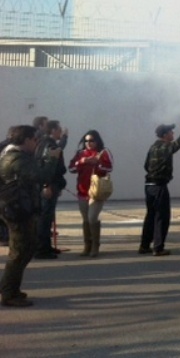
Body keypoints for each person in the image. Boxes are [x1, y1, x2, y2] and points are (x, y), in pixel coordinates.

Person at [0, 125, 58, 307]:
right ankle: (9, 293)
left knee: (28, 247)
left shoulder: (18, 156)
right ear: (25, 140)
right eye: (34, 139)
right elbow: (41, 175)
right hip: (16, 210)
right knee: (19, 252)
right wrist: (52, 160)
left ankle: (10, 288)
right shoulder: (15, 158)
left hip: (20, 208)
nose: (36, 143)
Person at [139, 119, 180, 256]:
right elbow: (179, 143)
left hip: (149, 185)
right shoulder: (165, 147)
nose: (173, 133)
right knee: (162, 217)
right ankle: (158, 247)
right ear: (165, 135)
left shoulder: (152, 147)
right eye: (170, 132)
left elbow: (145, 165)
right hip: (159, 186)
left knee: (150, 216)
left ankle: (144, 245)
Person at [69, 129, 114, 257]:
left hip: (97, 191)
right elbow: (71, 168)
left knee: (92, 218)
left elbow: (110, 167)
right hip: (82, 191)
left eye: (91, 140)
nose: (88, 143)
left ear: (97, 141)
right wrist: (83, 162)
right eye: (86, 140)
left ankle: (95, 245)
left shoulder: (103, 152)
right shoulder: (80, 153)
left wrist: (98, 163)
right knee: (85, 220)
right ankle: (87, 245)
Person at [33, 120, 68, 259]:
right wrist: (47, 185)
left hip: (53, 184)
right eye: (59, 130)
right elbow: (47, 167)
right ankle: (42, 249)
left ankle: (46, 246)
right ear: (53, 130)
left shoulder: (45, 143)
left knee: (47, 218)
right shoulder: (48, 144)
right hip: (49, 184)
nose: (60, 132)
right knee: (45, 218)